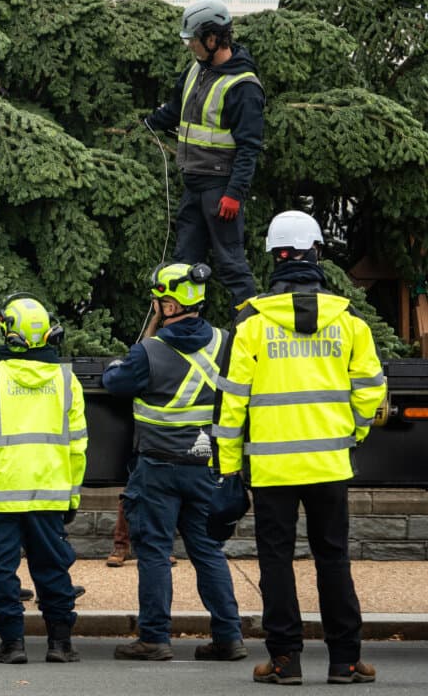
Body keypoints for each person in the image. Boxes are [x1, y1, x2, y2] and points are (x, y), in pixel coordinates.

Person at [214, 211, 387, 685]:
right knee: (334, 558)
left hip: (272, 468)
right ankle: (345, 661)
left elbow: (231, 405)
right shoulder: (348, 321)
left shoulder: (251, 323)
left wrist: (229, 469)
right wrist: (352, 434)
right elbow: (371, 390)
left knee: (276, 561)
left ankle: (285, 661)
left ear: (274, 258)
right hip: (330, 463)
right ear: (316, 255)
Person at [103, 263, 245, 662]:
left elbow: (115, 382)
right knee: (208, 551)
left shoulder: (149, 350)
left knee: (152, 552)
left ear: (168, 304)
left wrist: (143, 339)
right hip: (207, 466)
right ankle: (229, 636)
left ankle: (154, 638)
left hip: (158, 469)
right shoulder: (225, 342)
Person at [0, 294, 86, 665]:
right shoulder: (66, 380)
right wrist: (72, 496)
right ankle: (60, 644)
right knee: (53, 569)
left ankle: (12, 644)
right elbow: (78, 446)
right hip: (50, 496)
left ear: (8, 333)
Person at [142, 0, 264, 313]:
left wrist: (234, 194)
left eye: (194, 41)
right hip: (193, 185)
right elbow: (173, 110)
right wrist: (143, 126)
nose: (190, 47)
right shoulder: (197, 70)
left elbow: (249, 148)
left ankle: (250, 329)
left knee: (231, 265)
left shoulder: (244, 87)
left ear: (212, 39)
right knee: (183, 265)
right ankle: (183, 332)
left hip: (220, 190)